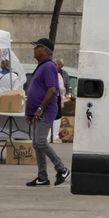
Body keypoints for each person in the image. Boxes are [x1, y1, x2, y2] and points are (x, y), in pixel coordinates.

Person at [24, 38, 69, 187]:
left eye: (38, 47)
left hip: (45, 111)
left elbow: (51, 89)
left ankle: (61, 169)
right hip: (37, 112)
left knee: (41, 141)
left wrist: (40, 109)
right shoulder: (41, 66)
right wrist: (30, 112)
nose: (34, 49)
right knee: (37, 143)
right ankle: (42, 177)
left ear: (45, 50)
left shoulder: (49, 66)